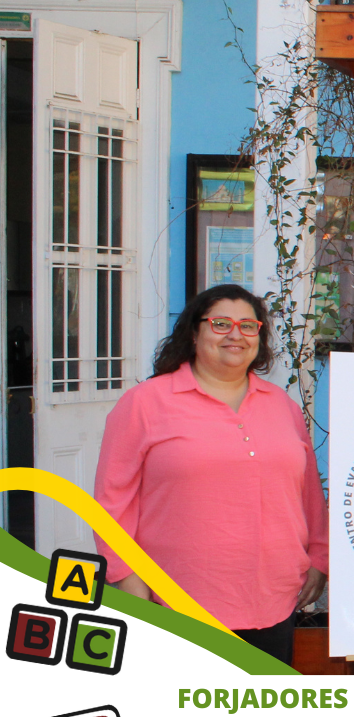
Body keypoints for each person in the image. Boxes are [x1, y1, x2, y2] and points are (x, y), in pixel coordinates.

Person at [93, 284, 327, 664]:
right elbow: (111, 501)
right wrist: (125, 579)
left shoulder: (281, 406)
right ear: (193, 332)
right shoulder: (145, 403)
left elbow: (308, 493)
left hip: (274, 599)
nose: (236, 334)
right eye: (221, 323)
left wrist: (320, 557)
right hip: (174, 603)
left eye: (249, 326)